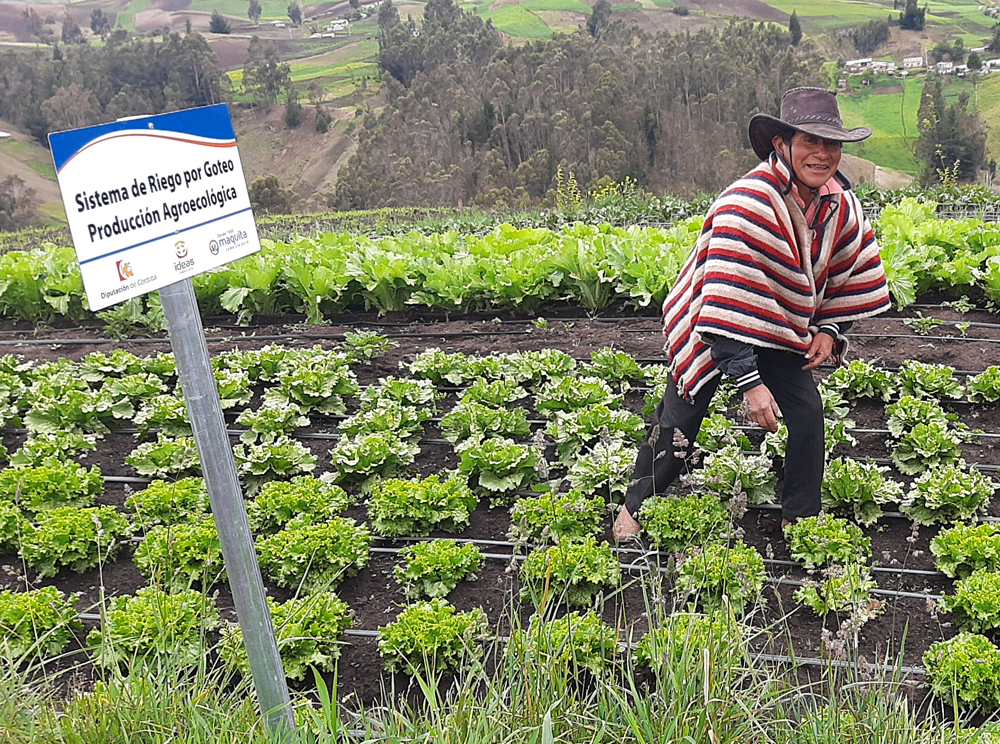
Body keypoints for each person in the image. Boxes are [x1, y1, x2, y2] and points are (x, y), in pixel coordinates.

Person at [614, 87, 892, 541]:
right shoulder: (746, 203)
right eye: (809, 141)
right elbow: (721, 299)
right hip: (713, 329)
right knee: (679, 421)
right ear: (782, 144)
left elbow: (847, 273)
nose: (822, 154)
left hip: (779, 328)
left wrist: (829, 328)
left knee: (807, 414)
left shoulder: (841, 204)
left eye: (831, 143)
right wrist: (750, 383)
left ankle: (800, 519)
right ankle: (634, 508)